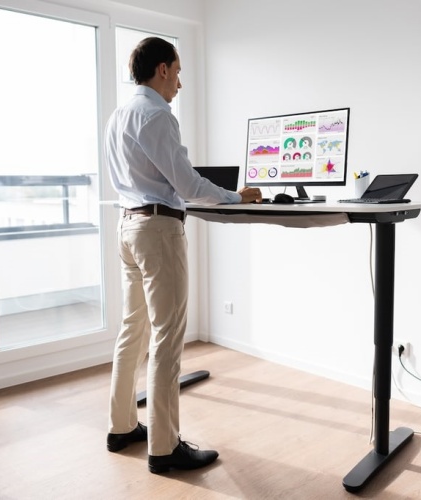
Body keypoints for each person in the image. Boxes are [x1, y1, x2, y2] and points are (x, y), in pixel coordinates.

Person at [104, 36, 261, 474]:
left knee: (132, 332)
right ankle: (164, 447)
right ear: (163, 69)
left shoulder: (118, 116)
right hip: (157, 230)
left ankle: (121, 427)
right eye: (178, 71)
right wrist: (235, 196)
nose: (180, 83)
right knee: (167, 338)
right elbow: (189, 186)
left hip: (128, 227)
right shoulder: (157, 114)